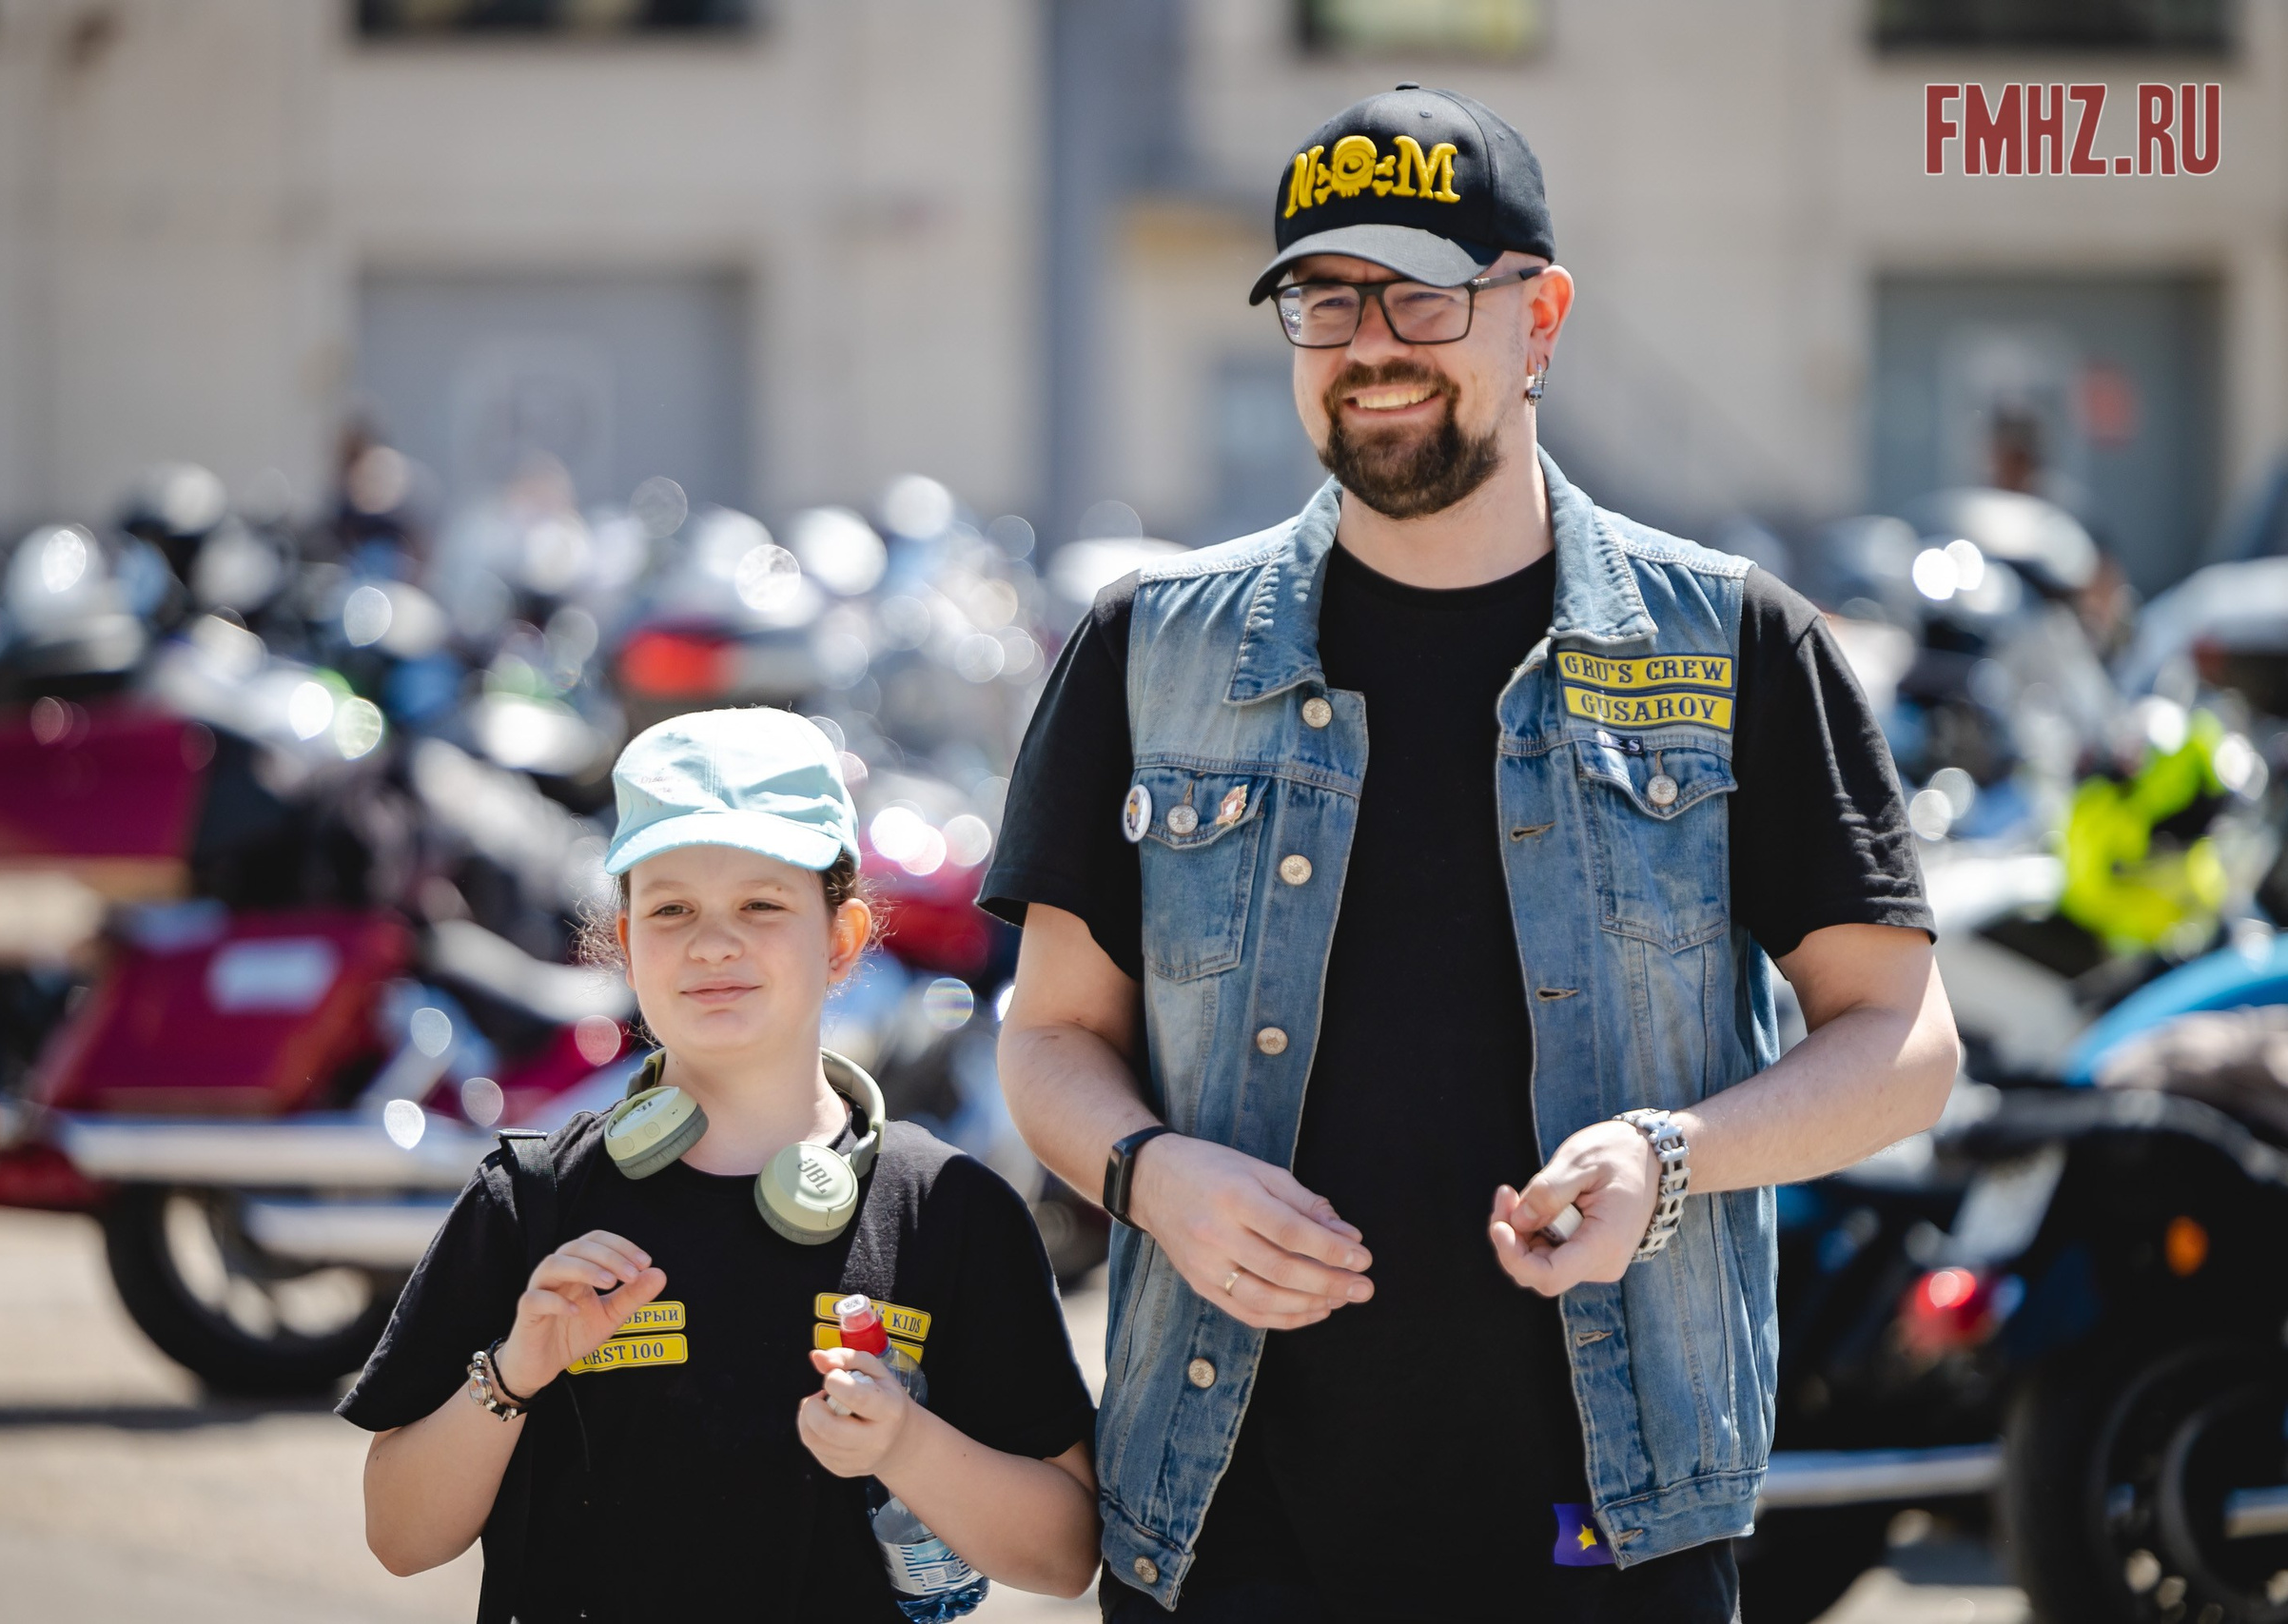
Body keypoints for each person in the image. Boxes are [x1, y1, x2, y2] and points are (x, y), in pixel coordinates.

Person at [982, 85, 1959, 1621]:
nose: (1372, 342)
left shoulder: (1737, 646)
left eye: (1424, 294)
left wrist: (1671, 1157)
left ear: (1540, 317)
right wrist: (1150, 1174)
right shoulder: (1143, 655)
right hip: (1236, 1522)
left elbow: (1904, 1043)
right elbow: (1043, 1038)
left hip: (1612, 1523)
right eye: (1324, 298)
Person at [343, 707, 1101, 1622]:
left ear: (843, 938)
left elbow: (1066, 1555)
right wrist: (513, 1372)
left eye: (760, 904)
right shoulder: (533, 1201)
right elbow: (398, 1537)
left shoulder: (949, 1210)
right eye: (671, 909)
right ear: (625, 943)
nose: (711, 943)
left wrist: (906, 1444)